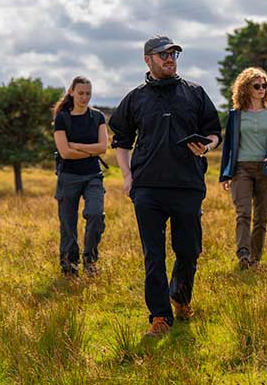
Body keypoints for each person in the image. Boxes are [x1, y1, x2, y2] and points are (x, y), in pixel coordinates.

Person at [109, 35, 222, 338]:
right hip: (147, 188)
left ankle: (181, 297)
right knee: (153, 255)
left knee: (188, 251)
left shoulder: (195, 94)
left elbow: (214, 132)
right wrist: (127, 176)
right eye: (163, 54)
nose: (170, 59)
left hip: (187, 185)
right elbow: (120, 139)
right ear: (148, 59)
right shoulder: (135, 98)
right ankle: (160, 317)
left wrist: (207, 146)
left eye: (173, 53)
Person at [219, 68, 267, 269]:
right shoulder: (236, 115)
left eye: (264, 85)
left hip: (265, 169)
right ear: (246, 88)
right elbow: (228, 146)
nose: (261, 89)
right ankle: (243, 255)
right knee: (244, 212)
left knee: (261, 217)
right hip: (241, 169)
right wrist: (225, 173)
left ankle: (256, 258)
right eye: (257, 86)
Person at [52, 76, 108, 277]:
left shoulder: (98, 117)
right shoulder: (62, 118)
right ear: (72, 92)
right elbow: (65, 153)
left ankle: (90, 260)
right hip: (68, 176)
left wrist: (76, 146)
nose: (85, 97)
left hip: (93, 175)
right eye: (81, 93)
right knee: (68, 224)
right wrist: (90, 151)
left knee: (95, 215)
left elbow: (103, 147)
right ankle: (69, 265)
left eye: (88, 94)